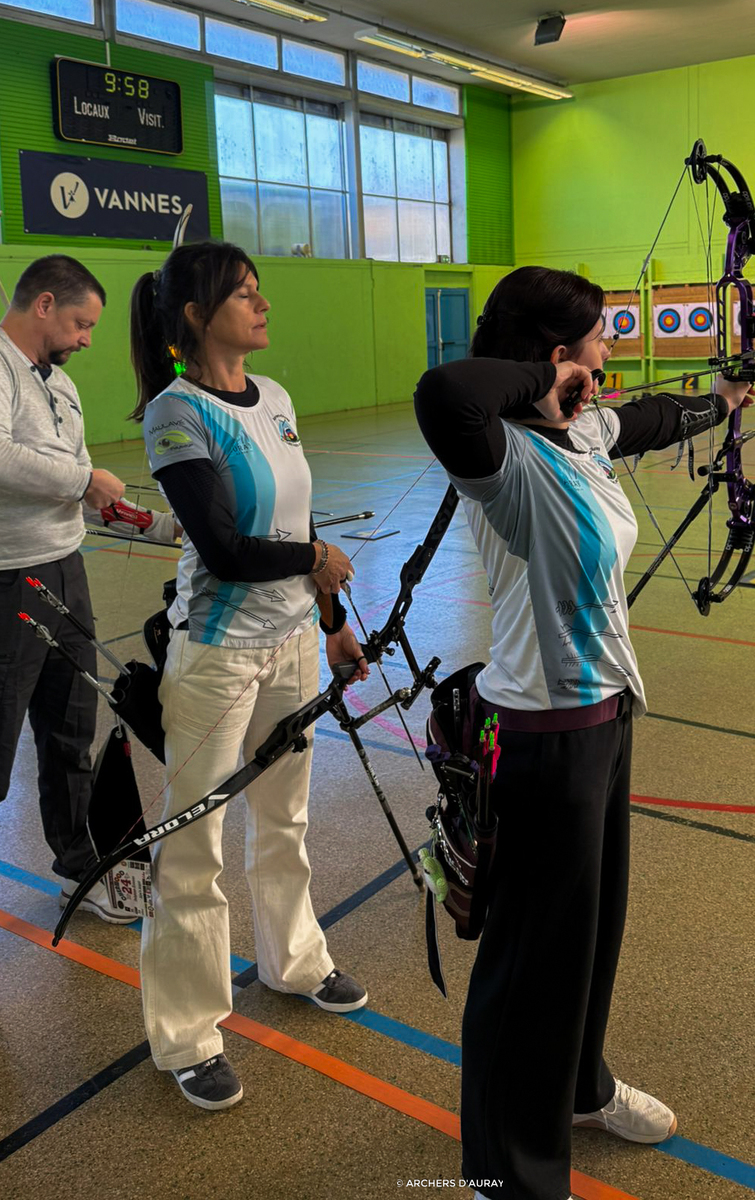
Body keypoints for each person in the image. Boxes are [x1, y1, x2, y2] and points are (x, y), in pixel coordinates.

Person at [414, 266, 753, 1200]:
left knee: (591, 937)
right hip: (541, 736)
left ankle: (579, 1089)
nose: (611, 352)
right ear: (558, 355)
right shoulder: (506, 463)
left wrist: (722, 400)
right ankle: (509, 1174)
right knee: (529, 964)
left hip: (604, 719)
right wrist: (548, 380)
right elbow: (445, 392)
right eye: (599, 338)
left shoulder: (583, 431)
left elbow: (649, 418)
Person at [129, 240, 371, 1112]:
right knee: (192, 847)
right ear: (197, 316)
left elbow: (298, 528)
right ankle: (188, 1034)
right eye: (245, 294)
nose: (263, 305)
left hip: (294, 642)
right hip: (217, 656)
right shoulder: (175, 411)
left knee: (285, 819)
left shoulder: (274, 397)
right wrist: (313, 558)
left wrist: (332, 625)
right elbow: (227, 550)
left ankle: (294, 961)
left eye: (260, 292)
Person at [0, 255, 178, 922]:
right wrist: (83, 482)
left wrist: (157, 524)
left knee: (72, 731)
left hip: (66, 571)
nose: (87, 339)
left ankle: (81, 868)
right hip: (9, 580)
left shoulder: (63, 387)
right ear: (44, 304)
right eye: (81, 323)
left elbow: (88, 492)